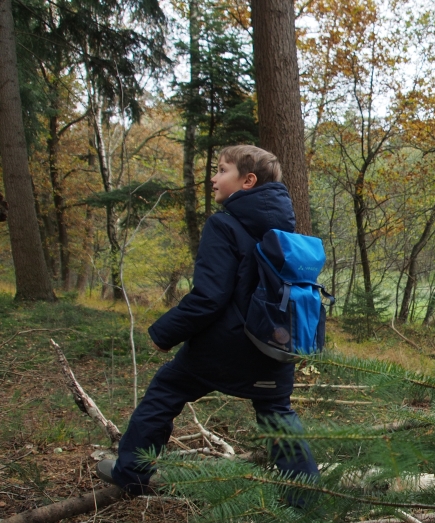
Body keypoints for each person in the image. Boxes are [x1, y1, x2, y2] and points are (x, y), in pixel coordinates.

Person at [96, 145, 319, 497]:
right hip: (275, 344)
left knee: (166, 392)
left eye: (221, 170)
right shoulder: (286, 232)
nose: (213, 178)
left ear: (248, 181)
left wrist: (164, 332)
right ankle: (305, 497)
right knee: (278, 415)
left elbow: (209, 297)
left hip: (224, 347)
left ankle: (131, 474)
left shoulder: (223, 225)